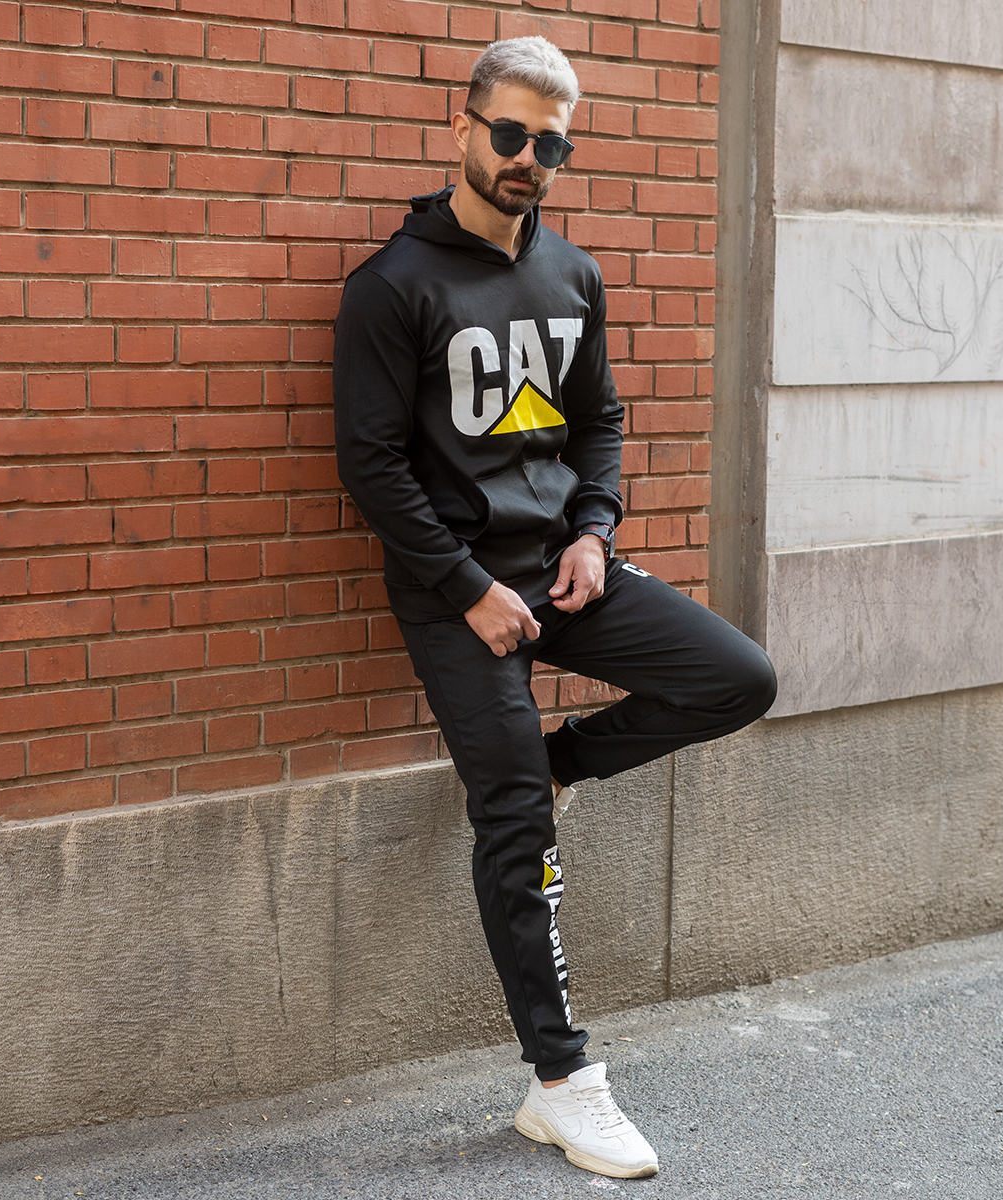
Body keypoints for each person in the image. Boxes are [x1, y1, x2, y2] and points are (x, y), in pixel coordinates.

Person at [332, 36, 777, 1180]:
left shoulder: (571, 275)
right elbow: (372, 466)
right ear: (464, 128)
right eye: (511, 133)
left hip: (563, 568)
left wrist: (594, 531)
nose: (529, 157)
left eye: (552, 143)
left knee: (738, 679)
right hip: (457, 592)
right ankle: (563, 1084)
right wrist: (467, 588)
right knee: (513, 820)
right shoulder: (393, 287)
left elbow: (600, 424)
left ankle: (559, 762)